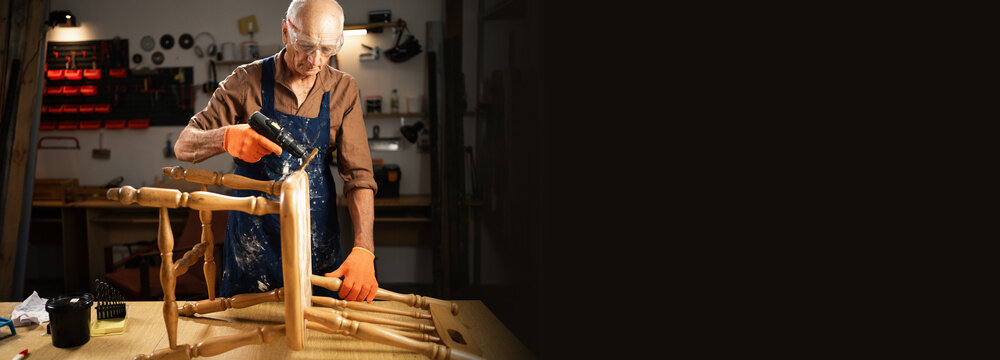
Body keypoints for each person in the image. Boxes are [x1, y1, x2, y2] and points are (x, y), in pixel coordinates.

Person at [173, 0, 379, 303]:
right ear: (286, 31)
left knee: (314, 336)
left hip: (315, 239)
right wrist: (226, 137)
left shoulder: (344, 89)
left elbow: (359, 177)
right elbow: (184, 144)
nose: (315, 60)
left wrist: (364, 248)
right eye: (305, 45)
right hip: (251, 242)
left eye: (327, 49)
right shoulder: (246, 80)